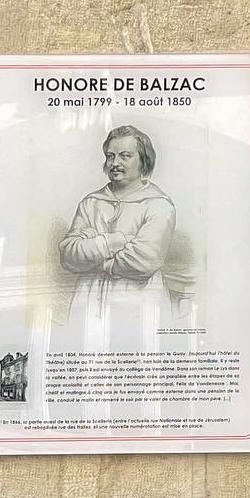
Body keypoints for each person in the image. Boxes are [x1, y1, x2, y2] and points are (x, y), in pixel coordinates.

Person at [59, 125, 176, 352]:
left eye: (125, 156)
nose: (115, 163)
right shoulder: (91, 203)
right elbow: (69, 255)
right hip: (89, 297)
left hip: (138, 298)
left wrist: (94, 250)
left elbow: (144, 260)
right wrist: (114, 241)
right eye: (111, 156)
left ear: (143, 160)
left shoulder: (159, 205)